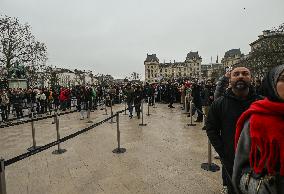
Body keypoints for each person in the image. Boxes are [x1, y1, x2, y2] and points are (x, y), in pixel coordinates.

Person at [206, 67, 261, 194]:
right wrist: (223, 151)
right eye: (236, 74)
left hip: (258, 161)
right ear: (230, 79)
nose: (241, 76)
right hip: (231, 157)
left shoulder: (262, 102)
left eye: (245, 73)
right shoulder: (219, 103)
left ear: (251, 78)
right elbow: (211, 128)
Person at [233, 65, 284, 194]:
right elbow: (240, 168)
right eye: (283, 78)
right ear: (272, 83)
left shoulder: (258, 98)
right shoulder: (257, 118)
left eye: (245, 74)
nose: (241, 77)